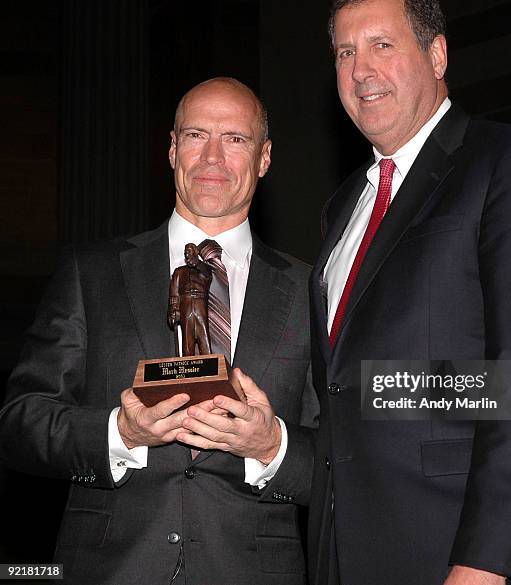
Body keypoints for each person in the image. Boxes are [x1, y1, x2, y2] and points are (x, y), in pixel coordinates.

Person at [307, 1, 511, 584]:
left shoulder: (504, 163)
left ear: (437, 55)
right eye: (345, 53)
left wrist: (486, 563)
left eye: (382, 45)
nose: (360, 70)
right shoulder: (340, 212)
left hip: (459, 558)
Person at [0, 78, 317, 585]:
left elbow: (345, 456)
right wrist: (119, 434)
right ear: (172, 150)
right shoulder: (92, 272)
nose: (212, 156)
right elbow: (19, 424)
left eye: (235, 139)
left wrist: (269, 446)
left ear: (264, 158)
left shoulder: (311, 290)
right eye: (196, 135)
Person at [167, 242, 212, 356]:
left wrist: (197, 264)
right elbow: (174, 293)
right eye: (186, 252)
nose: (187, 253)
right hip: (185, 306)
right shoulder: (179, 272)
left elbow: (207, 274)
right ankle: (188, 365)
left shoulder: (203, 270)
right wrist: (173, 310)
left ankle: (210, 364)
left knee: (204, 338)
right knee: (187, 340)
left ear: (197, 252)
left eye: (190, 250)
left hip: (200, 304)